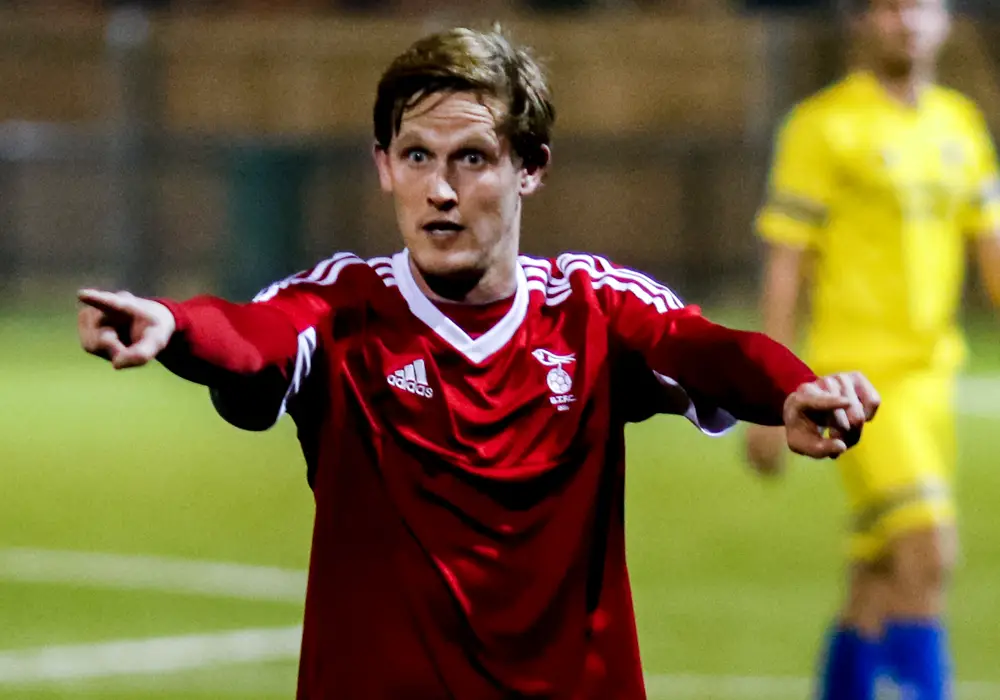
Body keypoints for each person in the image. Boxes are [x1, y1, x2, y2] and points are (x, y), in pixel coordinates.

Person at [79, 27, 879, 699]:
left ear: (530, 168)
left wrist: (790, 391)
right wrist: (174, 326)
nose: (440, 189)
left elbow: (702, 348)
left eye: (471, 158)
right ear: (384, 166)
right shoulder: (343, 307)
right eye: (416, 156)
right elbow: (256, 336)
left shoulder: (590, 306)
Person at [747, 1, 1000, 698]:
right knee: (927, 551)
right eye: (888, 6)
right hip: (856, 382)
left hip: (932, 379)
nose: (905, 20)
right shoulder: (823, 125)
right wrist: (766, 395)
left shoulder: (960, 125)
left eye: (919, 5)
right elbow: (786, 261)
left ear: (945, 19)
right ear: (862, 22)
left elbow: (992, 250)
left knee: (878, 577)